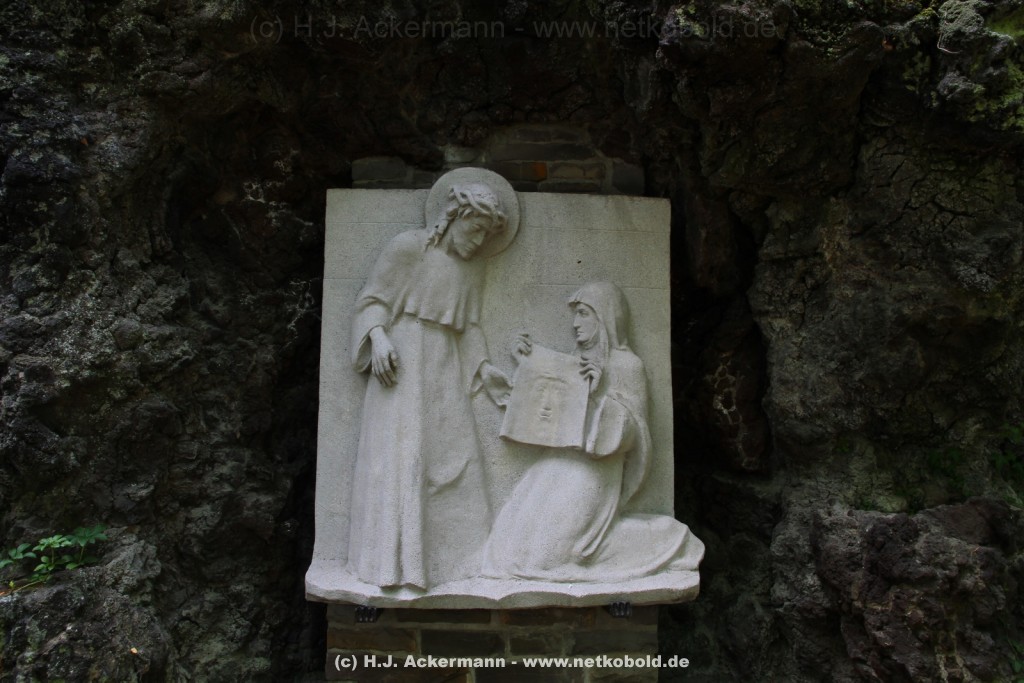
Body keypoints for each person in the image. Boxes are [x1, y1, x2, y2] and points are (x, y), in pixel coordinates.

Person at [347, 178, 513, 590]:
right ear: (456, 215)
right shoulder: (409, 248)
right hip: (402, 366)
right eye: (476, 229)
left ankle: (458, 564)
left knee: (456, 458)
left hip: (445, 370)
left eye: (486, 235)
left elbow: (468, 326)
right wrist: (378, 337)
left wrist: (485, 369)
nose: (479, 241)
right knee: (403, 458)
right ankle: (393, 567)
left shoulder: (474, 269)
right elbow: (372, 301)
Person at [483, 282, 704, 582]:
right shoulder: (575, 361)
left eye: (584, 313)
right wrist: (527, 365)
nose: (575, 323)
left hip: (596, 472)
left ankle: (669, 540)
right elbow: (548, 412)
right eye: (575, 314)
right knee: (509, 547)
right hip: (559, 462)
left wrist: (599, 395)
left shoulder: (627, 366)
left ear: (605, 317)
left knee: (547, 557)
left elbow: (636, 435)